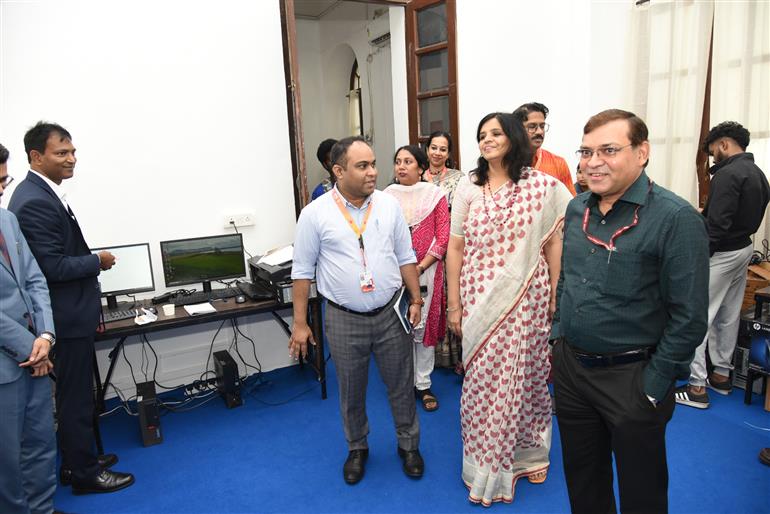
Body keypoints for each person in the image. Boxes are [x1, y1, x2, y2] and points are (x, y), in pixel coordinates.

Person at [552, 109, 709, 513]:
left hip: (632, 378)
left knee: (642, 493)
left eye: (608, 150)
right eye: (586, 152)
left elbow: (689, 317)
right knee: (583, 481)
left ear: (642, 153)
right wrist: (558, 336)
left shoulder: (675, 219)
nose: (592, 162)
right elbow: (568, 277)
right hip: (572, 371)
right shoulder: (577, 209)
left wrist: (655, 385)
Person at [445, 112, 571, 506]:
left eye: (495, 133)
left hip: (527, 302)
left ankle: (527, 453)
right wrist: (453, 305)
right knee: (481, 384)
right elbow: (455, 247)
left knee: (529, 376)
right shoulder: (469, 186)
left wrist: (554, 293)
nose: (487, 140)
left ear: (513, 137)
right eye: (481, 134)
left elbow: (554, 243)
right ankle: (484, 465)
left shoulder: (543, 187)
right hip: (479, 302)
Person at [289, 136, 424, 485]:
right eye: (362, 166)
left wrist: (417, 299)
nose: (373, 172)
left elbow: (406, 255)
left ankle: (408, 444)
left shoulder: (389, 205)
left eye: (374, 164)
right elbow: (302, 272)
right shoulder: (314, 214)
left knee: (401, 384)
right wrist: (300, 323)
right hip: (343, 316)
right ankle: (357, 447)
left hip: (391, 312)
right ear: (338, 171)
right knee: (350, 388)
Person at [8, 122, 134, 495]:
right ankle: (83, 473)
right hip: (65, 317)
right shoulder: (32, 201)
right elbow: (51, 267)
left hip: (70, 313)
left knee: (75, 395)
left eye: (73, 152)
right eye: (61, 153)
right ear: (36, 156)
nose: (71, 159)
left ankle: (79, 460)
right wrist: (98, 261)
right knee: (75, 398)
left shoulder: (44, 193)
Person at [675, 121, 770, 409]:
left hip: (721, 252)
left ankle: (696, 387)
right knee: (728, 315)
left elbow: (717, 228)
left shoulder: (727, 175)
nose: (714, 155)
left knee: (697, 315)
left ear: (725, 144)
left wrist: (698, 257)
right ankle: (721, 376)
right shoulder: (758, 173)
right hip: (744, 248)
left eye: (714, 149)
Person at [0, 143, 57, 514]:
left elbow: (34, 279)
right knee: (7, 461)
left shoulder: (8, 219)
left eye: (3, 180)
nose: (0, 190)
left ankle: (43, 509)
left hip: (36, 352)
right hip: (8, 366)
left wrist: (46, 338)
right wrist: (30, 348)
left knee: (41, 444)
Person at [385, 145, 450, 412]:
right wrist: (400, 269)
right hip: (394, 272)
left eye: (408, 161)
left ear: (421, 168)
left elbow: (443, 235)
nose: (401, 166)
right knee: (400, 326)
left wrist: (420, 268)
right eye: (398, 161)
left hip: (429, 271)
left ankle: (423, 384)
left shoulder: (436, 195)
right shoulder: (386, 197)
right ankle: (403, 383)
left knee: (422, 328)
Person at [513, 102, 576, 195]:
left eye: (542, 126)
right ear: (517, 129)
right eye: (532, 127)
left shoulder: (558, 163)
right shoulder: (503, 162)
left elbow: (570, 205)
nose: (539, 132)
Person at [424, 131, 464, 208]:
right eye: (433, 148)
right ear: (427, 150)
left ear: (448, 154)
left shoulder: (459, 178)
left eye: (443, 150)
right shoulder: (418, 178)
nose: (437, 153)